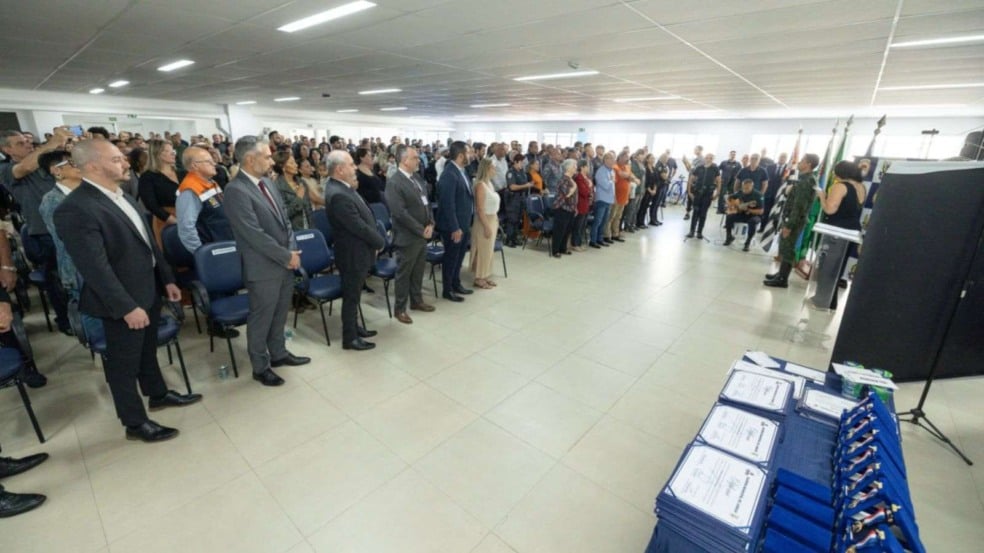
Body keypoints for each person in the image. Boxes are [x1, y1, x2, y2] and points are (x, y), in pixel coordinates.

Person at [54, 139, 200, 442]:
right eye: (117, 158)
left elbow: (148, 243)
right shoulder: (75, 208)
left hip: (147, 287)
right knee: (123, 363)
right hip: (121, 300)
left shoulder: (123, 196)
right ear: (93, 165)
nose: (125, 163)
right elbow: (94, 268)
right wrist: (125, 307)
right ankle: (134, 423)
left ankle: (157, 394)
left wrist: (167, 279)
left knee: (147, 351)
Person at [224, 136, 310, 387]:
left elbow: (285, 220)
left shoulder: (267, 183)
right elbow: (253, 235)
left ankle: (279, 353)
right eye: (267, 156)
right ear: (250, 159)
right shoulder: (236, 191)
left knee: (281, 311)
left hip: (285, 261)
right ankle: (260, 367)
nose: (272, 160)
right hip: (262, 267)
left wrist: (293, 252)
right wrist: (286, 256)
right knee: (262, 317)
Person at [0, 128, 74, 336]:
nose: (27, 145)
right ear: (6, 149)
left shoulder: (43, 163)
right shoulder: (7, 169)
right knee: (57, 278)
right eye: (20, 143)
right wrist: (53, 142)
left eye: (27, 141)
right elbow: (24, 167)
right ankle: (66, 319)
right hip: (44, 232)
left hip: (67, 226)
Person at [323, 151, 385, 350]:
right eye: (350, 164)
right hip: (352, 253)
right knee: (351, 297)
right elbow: (357, 226)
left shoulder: (343, 187)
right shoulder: (338, 193)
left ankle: (355, 327)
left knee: (355, 294)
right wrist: (379, 242)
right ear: (339, 169)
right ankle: (349, 338)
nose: (354, 168)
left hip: (358, 250)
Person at [384, 145, 436, 325]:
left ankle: (417, 300)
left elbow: (427, 204)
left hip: (422, 234)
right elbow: (399, 213)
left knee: (418, 270)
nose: (418, 160)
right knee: (404, 274)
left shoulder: (417, 179)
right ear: (405, 160)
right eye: (415, 158)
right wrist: (421, 229)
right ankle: (400, 309)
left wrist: (430, 223)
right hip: (408, 237)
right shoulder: (394, 182)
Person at [812, 160, 866, 308]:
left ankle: (822, 300)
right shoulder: (861, 187)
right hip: (852, 232)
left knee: (827, 266)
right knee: (838, 268)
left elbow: (830, 209)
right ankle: (831, 300)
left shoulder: (840, 186)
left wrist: (822, 195)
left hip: (836, 232)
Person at [764, 153, 821, 288]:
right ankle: (780, 274)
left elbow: (799, 206)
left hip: (794, 220)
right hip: (793, 218)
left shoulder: (806, 181)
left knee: (788, 249)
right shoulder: (804, 179)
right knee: (784, 247)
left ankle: (783, 279)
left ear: (808, 164)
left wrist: (789, 225)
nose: (799, 162)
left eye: (802, 161)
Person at [435, 141, 475, 302]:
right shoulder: (449, 174)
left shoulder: (462, 171)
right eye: (469, 152)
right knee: (451, 258)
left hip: (463, 223)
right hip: (453, 226)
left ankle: (456, 283)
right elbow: (447, 204)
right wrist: (455, 228)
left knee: (459, 257)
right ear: (460, 156)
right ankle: (448, 289)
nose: (471, 155)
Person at [138, 139, 182, 249]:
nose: (173, 153)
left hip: (189, 216)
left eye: (173, 150)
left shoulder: (182, 173)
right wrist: (172, 220)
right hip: (166, 219)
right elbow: (151, 204)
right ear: (157, 154)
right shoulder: (148, 177)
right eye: (167, 151)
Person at [469, 158, 500, 289]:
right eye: (493, 167)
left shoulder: (489, 183)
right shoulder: (480, 185)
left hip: (493, 218)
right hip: (484, 221)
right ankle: (479, 278)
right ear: (487, 169)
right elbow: (480, 208)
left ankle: (485, 275)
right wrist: (487, 226)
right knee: (482, 250)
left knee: (488, 251)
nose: (495, 170)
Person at [272, 151, 311, 230]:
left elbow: (308, 207)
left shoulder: (301, 182)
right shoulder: (277, 186)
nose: (296, 165)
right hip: (292, 231)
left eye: (295, 162)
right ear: (283, 167)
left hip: (308, 226)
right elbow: (283, 214)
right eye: (292, 163)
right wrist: (298, 198)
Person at [686, 153, 721, 240]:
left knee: (703, 214)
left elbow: (719, 182)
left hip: (707, 194)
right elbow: (691, 179)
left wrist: (717, 193)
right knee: (695, 212)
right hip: (697, 193)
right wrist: (689, 191)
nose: (708, 159)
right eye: (707, 157)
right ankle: (692, 231)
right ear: (705, 158)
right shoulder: (699, 168)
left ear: (713, 159)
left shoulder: (715, 169)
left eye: (711, 158)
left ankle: (699, 232)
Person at [723, 179, 765, 252]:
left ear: (752, 187)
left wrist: (748, 210)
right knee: (729, 216)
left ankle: (747, 242)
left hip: (754, 215)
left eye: (747, 188)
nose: (745, 190)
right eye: (743, 187)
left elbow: (761, 211)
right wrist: (730, 204)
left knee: (752, 222)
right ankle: (729, 237)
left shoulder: (758, 195)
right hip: (741, 213)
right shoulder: (740, 192)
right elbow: (727, 197)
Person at [503, 153, 533, 247]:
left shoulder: (521, 172)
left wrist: (528, 184)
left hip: (521, 198)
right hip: (513, 198)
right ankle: (509, 239)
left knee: (518, 219)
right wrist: (526, 185)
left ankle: (515, 238)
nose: (523, 164)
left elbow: (524, 183)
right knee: (512, 219)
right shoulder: (511, 172)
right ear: (516, 162)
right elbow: (512, 187)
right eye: (521, 162)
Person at [551, 159, 578, 257]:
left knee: (567, 230)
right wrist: (574, 187)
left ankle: (563, 248)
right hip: (562, 208)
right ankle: (555, 250)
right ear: (568, 168)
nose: (576, 168)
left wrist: (575, 207)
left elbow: (574, 196)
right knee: (560, 230)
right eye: (574, 166)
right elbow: (567, 194)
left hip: (570, 208)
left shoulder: (571, 179)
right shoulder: (563, 179)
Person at [607, 152, 635, 243]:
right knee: (611, 216)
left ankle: (615, 233)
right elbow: (622, 175)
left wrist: (630, 176)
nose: (627, 159)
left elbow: (632, 177)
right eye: (626, 157)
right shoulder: (615, 167)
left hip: (624, 196)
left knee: (618, 216)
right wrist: (629, 176)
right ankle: (607, 235)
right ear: (620, 157)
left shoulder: (627, 167)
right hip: (615, 196)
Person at [589, 153, 615, 248]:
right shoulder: (601, 171)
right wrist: (611, 180)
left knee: (604, 221)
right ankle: (593, 240)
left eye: (613, 158)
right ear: (605, 160)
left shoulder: (611, 171)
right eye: (611, 158)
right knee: (598, 221)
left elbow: (612, 187)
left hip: (608, 200)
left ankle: (600, 239)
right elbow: (606, 185)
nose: (613, 160)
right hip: (601, 199)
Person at [761, 153, 789, 232]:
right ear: (778, 157)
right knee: (765, 211)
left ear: (786, 159)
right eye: (781, 157)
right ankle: (762, 227)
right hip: (768, 193)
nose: (782, 158)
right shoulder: (770, 167)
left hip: (780, 195)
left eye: (784, 157)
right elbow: (765, 180)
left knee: (776, 212)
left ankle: (772, 230)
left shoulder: (788, 169)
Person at [571, 159, 593, 251]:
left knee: (582, 225)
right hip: (580, 203)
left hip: (586, 203)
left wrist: (590, 189)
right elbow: (583, 191)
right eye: (587, 166)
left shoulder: (586, 177)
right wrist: (589, 188)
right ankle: (575, 244)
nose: (589, 168)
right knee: (578, 225)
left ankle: (579, 243)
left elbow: (591, 189)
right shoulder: (578, 177)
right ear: (582, 167)